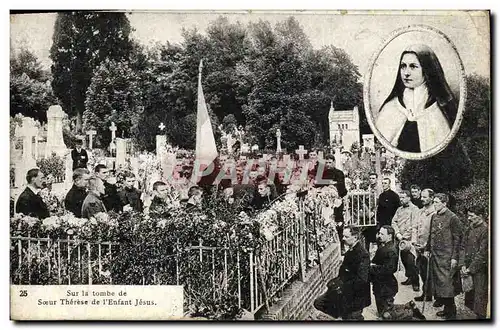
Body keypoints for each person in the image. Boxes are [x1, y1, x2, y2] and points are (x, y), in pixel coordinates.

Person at [375, 44, 458, 153]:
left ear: (427, 70)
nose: (406, 73)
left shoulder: (441, 107)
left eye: (413, 66)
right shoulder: (391, 107)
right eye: (403, 66)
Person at [425, 193, 462, 319]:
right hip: (436, 255)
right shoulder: (434, 216)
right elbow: (431, 234)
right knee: (439, 284)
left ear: (444, 203)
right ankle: (446, 308)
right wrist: (427, 248)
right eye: (434, 202)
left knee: (447, 285)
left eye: (437, 202)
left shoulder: (453, 218)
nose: (434, 204)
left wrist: (454, 257)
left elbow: (457, 239)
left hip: (447, 257)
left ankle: (452, 312)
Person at [459, 206, 489, 319]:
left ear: (480, 216)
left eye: (472, 216)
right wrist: (462, 264)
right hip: (467, 267)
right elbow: (462, 247)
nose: (469, 218)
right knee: (471, 295)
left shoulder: (486, 230)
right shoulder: (470, 228)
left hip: (480, 269)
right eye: (468, 215)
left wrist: (470, 269)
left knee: (480, 296)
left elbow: (482, 253)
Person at [314, 154, 348, 252]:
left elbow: (342, 187)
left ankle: (341, 245)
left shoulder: (339, 173)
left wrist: (330, 184)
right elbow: (317, 183)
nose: (328, 165)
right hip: (325, 203)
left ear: (334, 162)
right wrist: (331, 182)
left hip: (336, 202)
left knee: (338, 222)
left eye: (330, 162)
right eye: (326, 163)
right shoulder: (322, 172)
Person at [338, 226, 371, 320]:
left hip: (356, 296)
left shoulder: (362, 254)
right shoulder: (351, 250)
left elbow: (361, 280)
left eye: (346, 236)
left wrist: (345, 287)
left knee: (353, 318)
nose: (343, 239)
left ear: (355, 237)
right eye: (343, 236)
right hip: (349, 295)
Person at [391, 190, 420, 291]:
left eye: (403, 197)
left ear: (409, 198)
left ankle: (416, 282)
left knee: (411, 260)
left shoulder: (415, 209)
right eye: (400, 198)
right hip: (400, 238)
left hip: (409, 239)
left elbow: (414, 225)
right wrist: (398, 233)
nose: (401, 199)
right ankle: (409, 277)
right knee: (403, 259)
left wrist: (405, 235)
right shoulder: (399, 210)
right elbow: (393, 222)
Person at [370, 225, 399, 318]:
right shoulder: (384, 246)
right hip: (381, 286)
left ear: (390, 236)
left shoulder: (391, 250)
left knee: (386, 314)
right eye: (379, 233)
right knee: (382, 311)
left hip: (386, 287)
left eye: (382, 234)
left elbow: (389, 269)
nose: (379, 236)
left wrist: (372, 267)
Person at [414, 188, 436, 302]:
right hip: (419, 246)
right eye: (421, 197)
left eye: (425, 197)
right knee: (422, 270)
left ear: (431, 198)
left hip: (429, 248)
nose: (422, 199)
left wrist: (427, 246)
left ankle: (436, 296)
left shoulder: (435, 212)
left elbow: (434, 233)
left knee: (431, 272)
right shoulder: (420, 211)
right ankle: (426, 293)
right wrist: (414, 242)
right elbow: (415, 227)